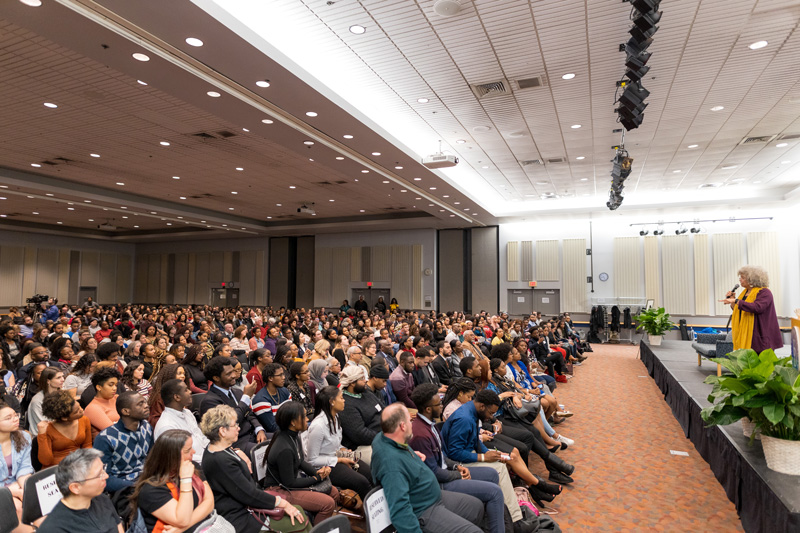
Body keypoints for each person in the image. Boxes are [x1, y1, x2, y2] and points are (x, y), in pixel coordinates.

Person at [371, 403, 484, 533]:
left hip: (432, 496)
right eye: (410, 421)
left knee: (476, 507)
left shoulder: (384, 437)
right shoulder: (391, 466)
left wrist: (411, 453)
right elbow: (400, 510)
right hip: (425, 510)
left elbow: (395, 449)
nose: (412, 424)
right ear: (402, 426)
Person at [409, 384, 505, 533]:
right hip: (440, 484)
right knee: (495, 493)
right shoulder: (420, 434)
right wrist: (457, 474)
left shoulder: (430, 425)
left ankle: (496, 523)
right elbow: (433, 472)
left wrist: (455, 467)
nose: (442, 406)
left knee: (492, 474)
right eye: (438, 404)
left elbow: (442, 457)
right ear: (428, 409)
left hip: (448, 471)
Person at [200, 405, 309, 533]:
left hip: (247, 506)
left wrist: (238, 454)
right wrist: (282, 503)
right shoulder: (220, 461)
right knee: (298, 521)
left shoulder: (217, 449)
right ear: (222, 431)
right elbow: (249, 494)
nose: (238, 428)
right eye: (235, 425)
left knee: (299, 513)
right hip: (240, 516)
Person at [261, 401, 339, 526]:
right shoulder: (284, 448)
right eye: (304, 416)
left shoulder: (294, 436)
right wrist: (317, 478)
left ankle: (317, 522)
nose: (308, 419)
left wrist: (317, 472)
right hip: (279, 490)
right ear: (293, 422)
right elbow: (289, 483)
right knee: (328, 504)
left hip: (288, 485)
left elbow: (300, 461)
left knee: (334, 492)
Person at [131, 429, 215, 533]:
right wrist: (185, 479)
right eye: (187, 450)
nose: (193, 452)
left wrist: (182, 528)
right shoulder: (151, 489)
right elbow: (182, 519)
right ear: (171, 457)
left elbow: (209, 501)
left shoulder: (192, 466)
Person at [306, 385, 373, 499]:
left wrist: (343, 450)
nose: (344, 400)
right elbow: (311, 460)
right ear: (332, 402)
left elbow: (335, 444)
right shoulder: (318, 426)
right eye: (341, 398)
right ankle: (368, 513)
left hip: (336, 456)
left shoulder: (335, 417)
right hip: (325, 466)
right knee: (361, 482)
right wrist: (340, 459)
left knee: (371, 473)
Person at [36, 448, 122, 533]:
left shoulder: (103, 500)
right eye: (99, 474)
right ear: (75, 487)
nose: (106, 476)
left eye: (104, 469)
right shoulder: (53, 529)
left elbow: (119, 529)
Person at [199, 356, 265, 454]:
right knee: (266, 452)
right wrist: (246, 397)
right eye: (229, 373)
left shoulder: (237, 392)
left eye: (233, 371)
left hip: (253, 435)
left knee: (280, 438)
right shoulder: (210, 401)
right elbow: (228, 423)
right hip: (236, 442)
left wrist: (259, 429)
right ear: (216, 378)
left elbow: (249, 414)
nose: (234, 375)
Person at [92, 391, 153, 493]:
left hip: (146, 480)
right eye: (140, 404)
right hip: (124, 488)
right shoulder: (106, 438)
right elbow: (103, 478)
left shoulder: (146, 426)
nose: (146, 406)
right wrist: (136, 486)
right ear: (125, 411)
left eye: (145, 402)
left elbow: (152, 458)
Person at [720, 265, 783, 353]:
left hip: (760, 334)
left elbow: (757, 308)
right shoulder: (745, 292)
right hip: (745, 332)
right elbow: (738, 310)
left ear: (752, 279)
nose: (740, 279)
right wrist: (733, 300)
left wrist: (736, 300)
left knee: (760, 363)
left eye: (742, 277)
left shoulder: (765, 292)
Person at [153, 379, 209, 463]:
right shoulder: (167, 426)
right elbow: (179, 457)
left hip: (205, 458)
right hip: (191, 466)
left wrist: (216, 450)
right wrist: (210, 459)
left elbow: (201, 437)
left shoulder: (187, 412)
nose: (190, 392)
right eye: (186, 390)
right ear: (177, 397)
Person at [338, 365, 383, 463]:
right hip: (365, 445)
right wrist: (384, 436)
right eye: (362, 378)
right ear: (352, 383)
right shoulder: (346, 404)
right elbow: (360, 435)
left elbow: (383, 409)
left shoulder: (365, 392)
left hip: (383, 435)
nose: (366, 380)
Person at [0, 400, 33, 529]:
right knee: (17, 508)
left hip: (16, 484)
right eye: (8, 418)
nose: (15, 419)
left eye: (15, 415)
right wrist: (11, 491)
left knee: (34, 502)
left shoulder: (23, 436)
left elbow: (24, 468)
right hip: (3, 489)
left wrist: (25, 487)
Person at [37, 390, 93, 467]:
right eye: (76, 411)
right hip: (57, 469)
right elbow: (46, 461)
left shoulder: (84, 420)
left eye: (79, 406)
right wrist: (42, 435)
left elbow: (87, 446)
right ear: (64, 418)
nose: (81, 410)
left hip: (79, 465)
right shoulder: (48, 429)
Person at [252, 363, 291, 433]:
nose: (284, 377)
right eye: (280, 375)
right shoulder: (261, 400)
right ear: (270, 378)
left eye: (283, 374)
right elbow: (273, 427)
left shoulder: (285, 391)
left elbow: (292, 414)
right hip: (274, 436)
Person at [84, 367, 121, 439]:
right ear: (99, 387)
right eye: (111, 385)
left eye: (116, 385)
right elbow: (114, 432)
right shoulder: (92, 408)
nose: (115, 388)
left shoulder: (116, 398)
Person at [27, 367, 65, 436]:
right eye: (58, 378)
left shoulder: (63, 395)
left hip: (61, 431)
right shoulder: (37, 401)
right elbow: (44, 425)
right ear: (48, 381)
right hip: (43, 436)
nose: (63, 380)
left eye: (63, 376)